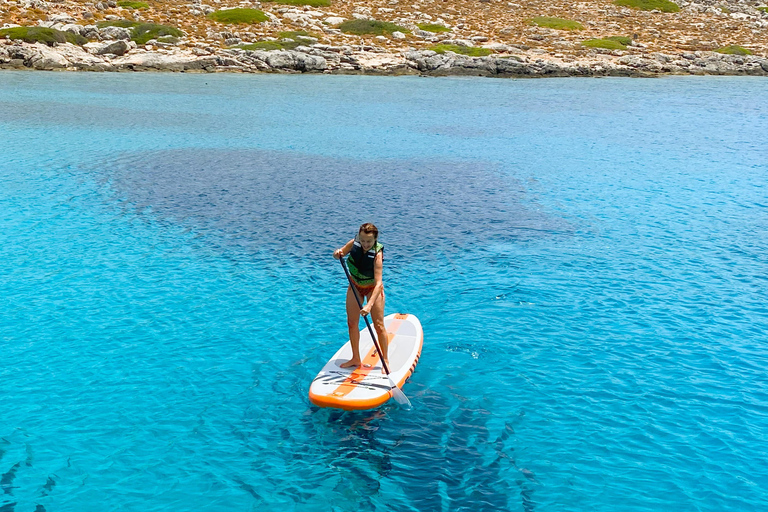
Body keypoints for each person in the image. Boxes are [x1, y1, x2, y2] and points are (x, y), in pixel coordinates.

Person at [333, 223, 388, 372]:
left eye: (369, 241)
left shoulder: (377, 255)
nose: (365, 244)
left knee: (378, 325)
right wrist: (338, 253)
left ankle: (386, 360)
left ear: (375, 239)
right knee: (352, 323)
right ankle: (355, 358)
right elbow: (340, 252)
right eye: (362, 240)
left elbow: (378, 284)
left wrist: (369, 305)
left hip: (372, 289)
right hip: (355, 286)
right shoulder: (354, 244)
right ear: (358, 237)